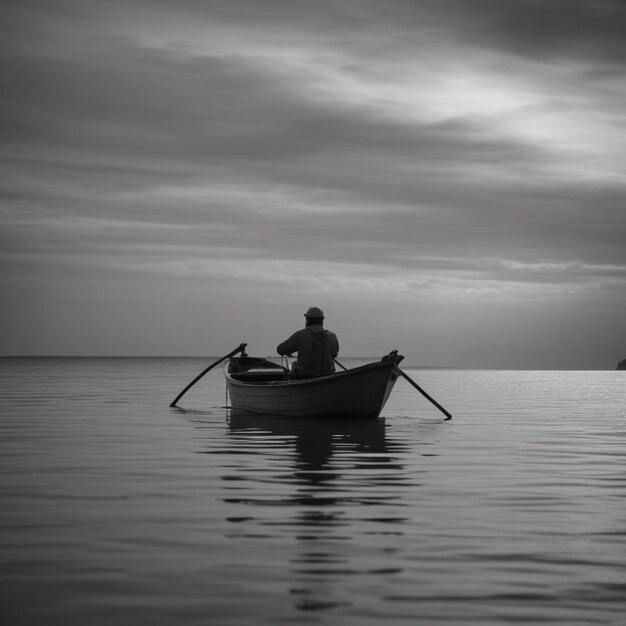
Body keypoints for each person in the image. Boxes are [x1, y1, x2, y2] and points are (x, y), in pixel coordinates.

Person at [277, 307, 339, 379]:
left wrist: (288, 351)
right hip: (327, 376)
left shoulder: (300, 335)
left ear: (307, 320)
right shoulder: (332, 336)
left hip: (304, 376)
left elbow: (280, 349)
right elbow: (334, 354)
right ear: (322, 320)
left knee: (290, 370)